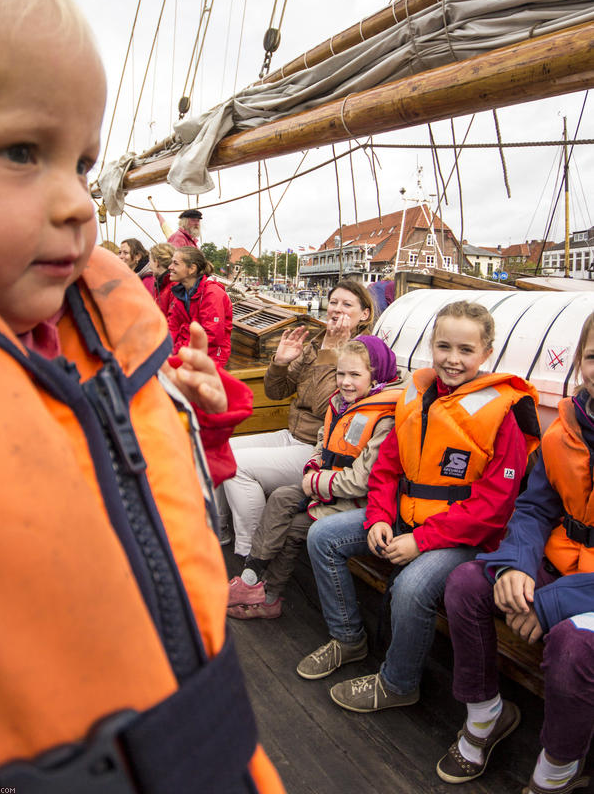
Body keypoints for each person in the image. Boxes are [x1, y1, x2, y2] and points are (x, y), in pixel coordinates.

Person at [0, 0, 284, 794]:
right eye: (22, 152)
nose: (78, 202)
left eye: (84, 162)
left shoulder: (98, 339)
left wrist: (191, 402)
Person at [296, 300, 540, 708]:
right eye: (444, 347)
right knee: (323, 536)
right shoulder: (416, 394)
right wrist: (377, 518)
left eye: (466, 350)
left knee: (411, 588)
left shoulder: (504, 413)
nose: (453, 359)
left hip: (463, 535)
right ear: (432, 346)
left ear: (486, 352)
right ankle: (349, 639)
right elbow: (388, 467)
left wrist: (422, 541)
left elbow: (494, 506)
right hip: (403, 518)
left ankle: (398, 683)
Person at [435, 312, 594, 793]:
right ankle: (486, 715)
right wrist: (515, 566)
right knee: (466, 584)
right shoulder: (565, 430)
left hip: (581, 592)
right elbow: (533, 507)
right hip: (561, 564)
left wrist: (549, 604)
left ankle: (559, 767)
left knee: (573, 647)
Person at [226, 336, 402, 619]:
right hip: (328, 486)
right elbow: (322, 446)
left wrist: (316, 483)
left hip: (356, 501)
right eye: (340, 374)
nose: (345, 382)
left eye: (355, 375)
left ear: (376, 375)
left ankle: (266, 595)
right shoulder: (341, 405)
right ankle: (252, 575)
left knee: (295, 528)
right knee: (283, 496)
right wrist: (311, 470)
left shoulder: (384, 418)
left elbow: (363, 480)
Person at [224, 280, 376, 556]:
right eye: (333, 303)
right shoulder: (316, 344)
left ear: (364, 314)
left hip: (317, 449)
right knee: (220, 452)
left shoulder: (364, 353)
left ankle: (251, 552)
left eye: (347, 305)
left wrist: (332, 350)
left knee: (237, 466)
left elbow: (323, 406)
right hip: (292, 434)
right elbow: (276, 392)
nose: (336, 310)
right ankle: (222, 532)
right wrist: (280, 363)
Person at [168, 246, 233, 364]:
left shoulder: (212, 294)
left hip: (210, 358)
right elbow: (173, 326)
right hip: (186, 352)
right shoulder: (180, 293)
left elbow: (210, 336)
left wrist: (175, 352)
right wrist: (166, 349)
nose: (170, 267)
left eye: (175, 263)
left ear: (192, 268)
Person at [144, 241, 176, 315]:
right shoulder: (161, 285)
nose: (149, 266)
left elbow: (171, 320)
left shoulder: (173, 288)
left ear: (156, 262)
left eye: (150, 261)